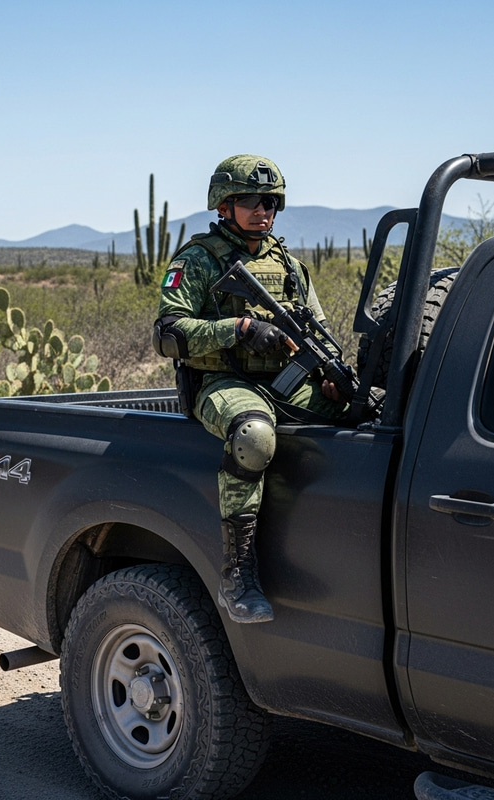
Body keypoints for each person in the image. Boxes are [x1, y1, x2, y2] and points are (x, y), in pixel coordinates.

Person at [152, 154, 347, 624]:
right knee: (254, 437)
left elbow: (317, 330)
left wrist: (331, 373)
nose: (263, 211)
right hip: (223, 382)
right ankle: (237, 573)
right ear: (224, 205)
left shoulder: (291, 267)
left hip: (288, 380)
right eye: (250, 201)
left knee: (373, 412)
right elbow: (168, 333)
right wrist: (237, 329)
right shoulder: (198, 259)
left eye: (271, 202)